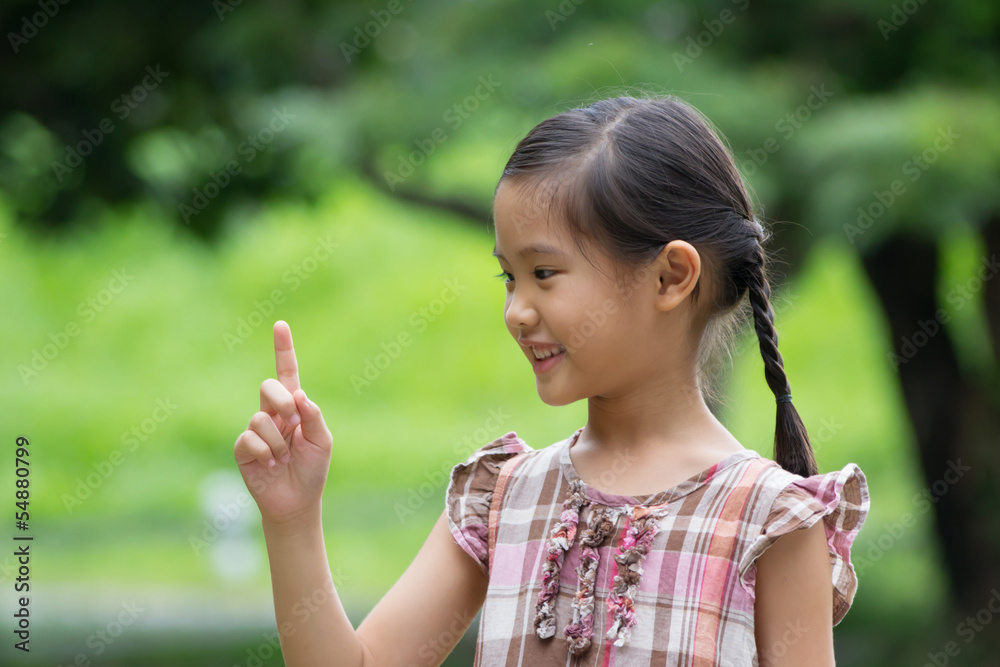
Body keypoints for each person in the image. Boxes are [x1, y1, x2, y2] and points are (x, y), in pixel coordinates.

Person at [233, 93, 871, 666]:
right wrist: (292, 516)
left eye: (544, 274)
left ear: (672, 276)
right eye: (508, 277)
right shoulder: (503, 498)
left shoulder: (770, 521)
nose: (516, 310)